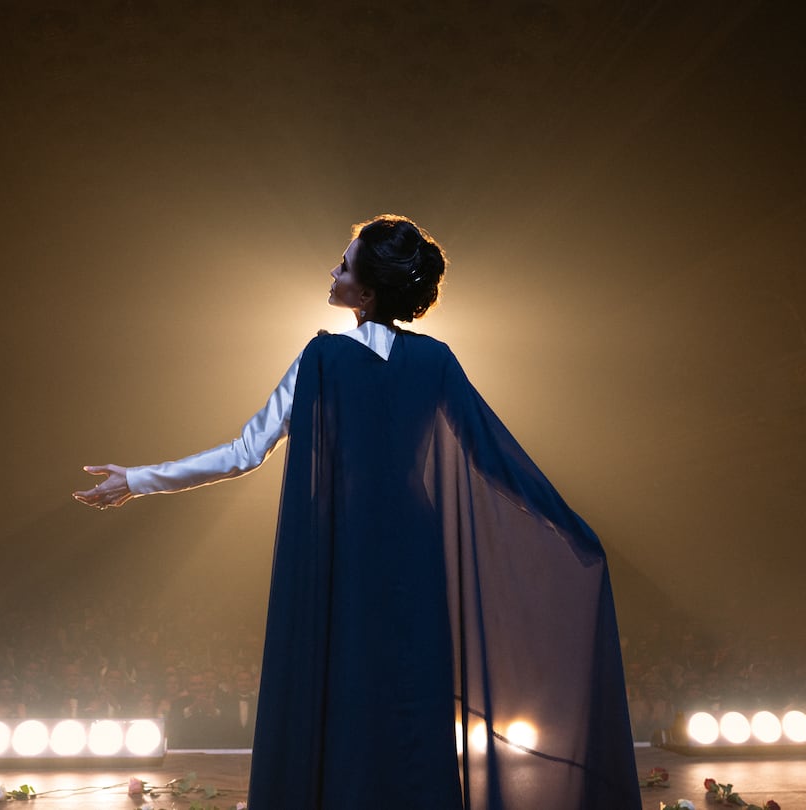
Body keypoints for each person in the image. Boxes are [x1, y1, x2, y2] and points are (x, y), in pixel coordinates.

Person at [75, 215, 638, 808]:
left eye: (343, 265)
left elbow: (245, 453)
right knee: (409, 689)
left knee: (345, 687)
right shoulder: (435, 361)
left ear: (365, 293)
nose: (333, 271)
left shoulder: (323, 358)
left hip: (344, 543)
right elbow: (495, 459)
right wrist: (569, 529)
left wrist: (138, 480)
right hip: (414, 545)